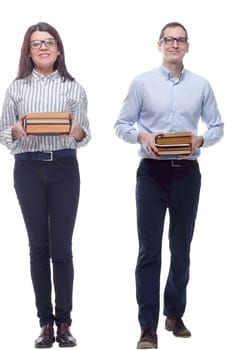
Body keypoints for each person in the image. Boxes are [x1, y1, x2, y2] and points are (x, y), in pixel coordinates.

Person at [114, 22, 223, 350]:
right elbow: (121, 124)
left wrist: (201, 138)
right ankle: (148, 326)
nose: (174, 44)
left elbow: (217, 125)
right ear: (159, 44)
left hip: (187, 174)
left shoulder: (201, 85)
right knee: (149, 250)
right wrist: (141, 136)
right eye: (169, 39)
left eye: (180, 40)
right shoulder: (142, 83)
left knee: (181, 248)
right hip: (152, 174)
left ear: (187, 47)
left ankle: (174, 313)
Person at [0, 22, 90, 349]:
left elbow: (85, 135)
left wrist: (76, 130)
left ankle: (64, 322)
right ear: (29, 50)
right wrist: (17, 133)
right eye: (36, 43)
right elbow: (2, 133)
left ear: (59, 49)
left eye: (49, 42)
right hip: (28, 168)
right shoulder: (17, 88)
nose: (43, 48)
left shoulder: (73, 88)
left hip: (65, 167)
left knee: (62, 248)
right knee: (39, 247)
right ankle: (45, 324)